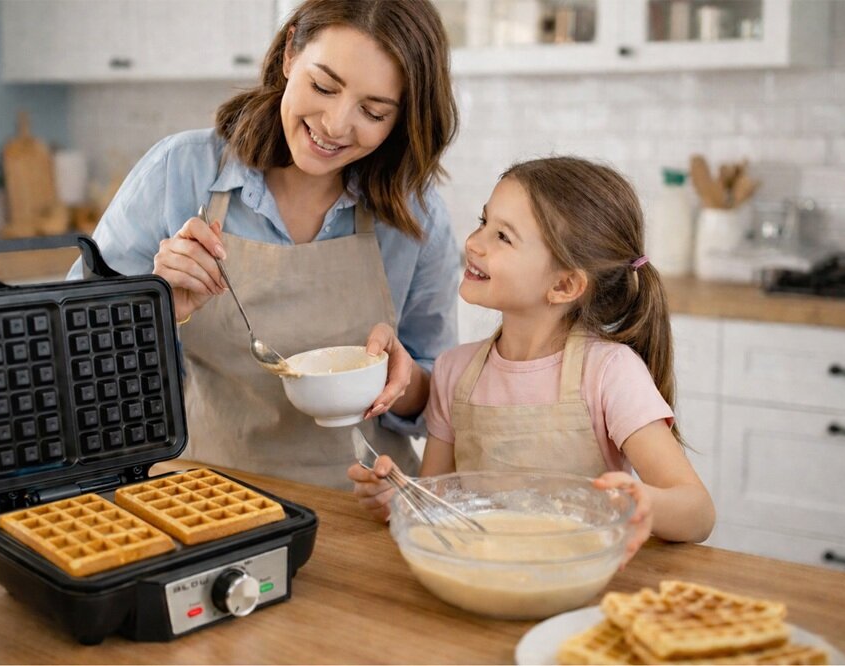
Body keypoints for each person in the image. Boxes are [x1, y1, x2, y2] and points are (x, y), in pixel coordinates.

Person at [69, 0, 460, 487]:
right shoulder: (180, 172)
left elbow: (439, 400)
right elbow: (72, 358)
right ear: (289, 53)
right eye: (323, 86)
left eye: (373, 111)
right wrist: (156, 305)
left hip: (366, 506)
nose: (336, 125)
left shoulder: (416, 215)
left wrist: (401, 382)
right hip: (203, 493)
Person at [349, 156, 716, 566]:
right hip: (478, 578)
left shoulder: (609, 373)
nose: (474, 241)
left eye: (503, 237)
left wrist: (642, 502)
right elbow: (438, 503)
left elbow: (698, 513)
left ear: (564, 284)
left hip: (577, 584)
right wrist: (400, 498)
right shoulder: (454, 372)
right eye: (483, 221)